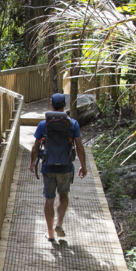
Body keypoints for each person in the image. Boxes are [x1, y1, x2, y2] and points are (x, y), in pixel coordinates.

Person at [30, 93, 87, 242]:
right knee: (63, 195)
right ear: (64, 105)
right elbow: (79, 147)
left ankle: (50, 234)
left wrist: (32, 162)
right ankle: (59, 224)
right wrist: (83, 165)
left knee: (49, 199)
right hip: (65, 167)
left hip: (48, 167)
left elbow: (35, 147)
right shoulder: (73, 124)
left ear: (51, 104)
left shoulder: (44, 124)